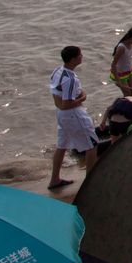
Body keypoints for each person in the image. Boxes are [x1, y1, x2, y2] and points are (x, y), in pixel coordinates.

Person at [48, 45, 97, 190]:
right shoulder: (70, 79)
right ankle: (90, 181)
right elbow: (66, 104)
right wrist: (83, 98)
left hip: (61, 115)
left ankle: (54, 179)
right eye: (80, 55)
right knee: (92, 144)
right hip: (72, 114)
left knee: (62, 145)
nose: (82, 57)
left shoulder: (58, 70)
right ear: (73, 59)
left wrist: (80, 93)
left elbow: (58, 96)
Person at [108, 26, 132, 96]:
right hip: (120, 75)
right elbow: (113, 64)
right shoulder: (121, 47)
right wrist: (118, 81)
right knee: (127, 94)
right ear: (131, 37)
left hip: (130, 72)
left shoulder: (130, 44)